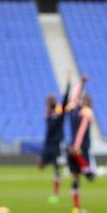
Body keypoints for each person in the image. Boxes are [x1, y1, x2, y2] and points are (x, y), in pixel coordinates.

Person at [38, 73, 70, 203]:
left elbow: (65, 101)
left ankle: (55, 193)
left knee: (57, 168)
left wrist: (68, 86)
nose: (49, 102)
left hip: (57, 143)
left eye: (50, 100)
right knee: (41, 165)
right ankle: (55, 161)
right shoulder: (48, 113)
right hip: (48, 143)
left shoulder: (59, 111)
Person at [66, 75, 95, 213]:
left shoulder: (73, 109)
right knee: (89, 175)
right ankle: (87, 170)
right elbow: (82, 130)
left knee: (75, 178)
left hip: (71, 146)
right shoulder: (86, 112)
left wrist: (81, 83)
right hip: (80, 148)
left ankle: (76, 207)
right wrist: (77, 146)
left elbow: (73, 96)